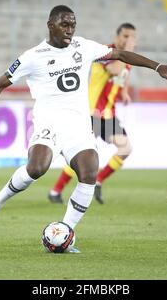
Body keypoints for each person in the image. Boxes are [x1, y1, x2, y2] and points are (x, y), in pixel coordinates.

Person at [0, 5, 167, 252]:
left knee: (90, 171)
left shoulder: (84, 46)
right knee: (37, 168)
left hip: (79, 127)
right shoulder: (33, 56)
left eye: (73, 24)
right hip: (48, 124)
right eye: (64, 24)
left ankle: (65, 231)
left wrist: (158, 67)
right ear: (50, 25)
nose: (70, 30)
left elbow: (121, 55)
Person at [48, 23, 136, 205]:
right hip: (91, 113)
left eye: (132, 37)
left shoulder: (126, 60)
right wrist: (129, 53)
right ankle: (55, 191)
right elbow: (115, 70)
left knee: (125, 148)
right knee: (81, 156)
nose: (128, 40)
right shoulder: (105, 52)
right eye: (125, 36)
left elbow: (124, 75)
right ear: (117, 36)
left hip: (108, 115)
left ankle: (98, 180)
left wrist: (125, 92)